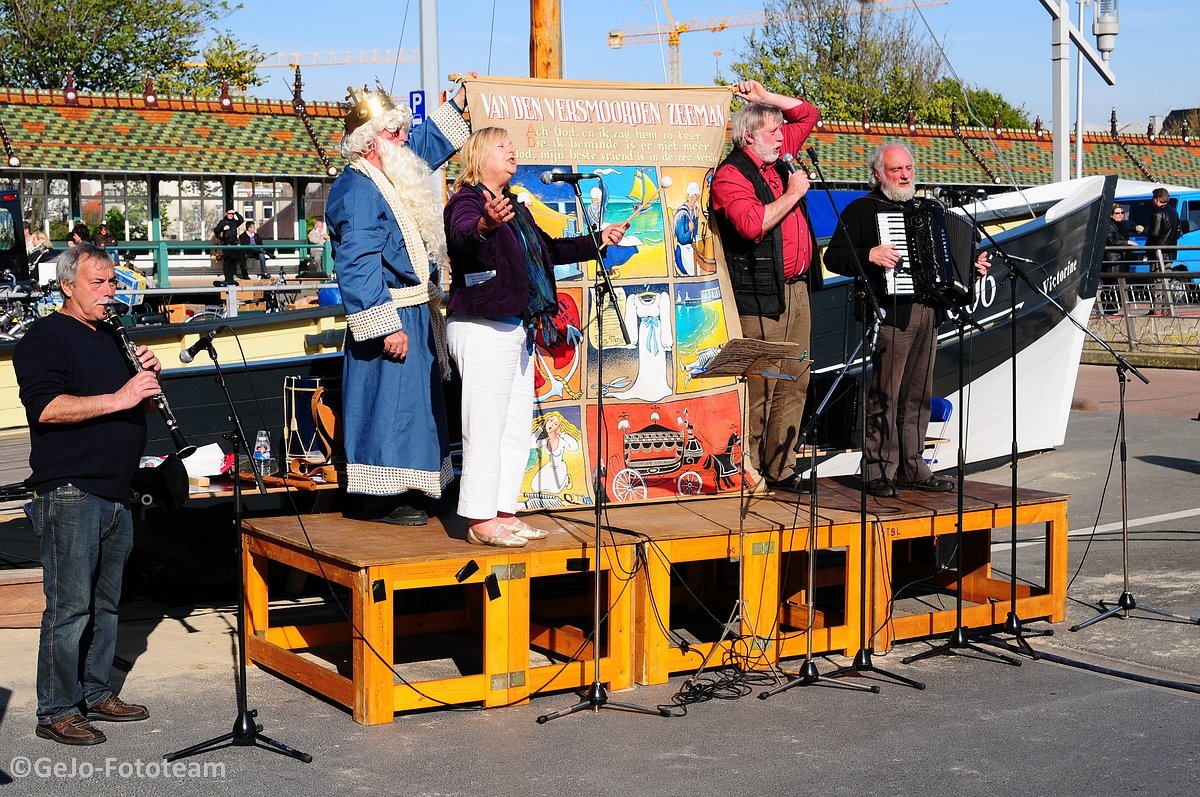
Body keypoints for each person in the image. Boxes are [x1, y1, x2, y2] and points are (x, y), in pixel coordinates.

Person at [443, 127, 626, 546]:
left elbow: (552, 251)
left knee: (513, 429)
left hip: (516, 327)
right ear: (480, 154)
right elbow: (463, 234)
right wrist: (487, 223)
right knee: (484, 427)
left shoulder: (517, 208)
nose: (512, 152)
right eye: (503, 146)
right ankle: (478, 519)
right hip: (482, 325)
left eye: (512, 146)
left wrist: (600, 239)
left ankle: (503, 512)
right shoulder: (467, 200)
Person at [13, 243, 159, 745]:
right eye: (98, 283)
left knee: (106, 603)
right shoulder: (45, 337)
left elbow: (136, 410)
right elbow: (47, 409)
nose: (109, 292)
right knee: (70, 606)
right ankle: (56, 710)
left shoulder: (114, 337)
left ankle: (97, 692)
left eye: (113, 282)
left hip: (118, 489)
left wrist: (149, 383)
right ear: (67, 285)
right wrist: (122, 396)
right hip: (71, 490)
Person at [326, 81, 470, 526]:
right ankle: (383, 499)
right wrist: (385, 325)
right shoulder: (357, 190)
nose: (404, 138)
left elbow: (422, 145)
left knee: (420, 407)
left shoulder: (389, 171)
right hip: (391, 311)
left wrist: (460, 102)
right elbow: (357, 266)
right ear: (370, 142)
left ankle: (423, 486)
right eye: (395, 133)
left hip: (416, 309)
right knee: (390, 407)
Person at [824, 142, 990, 498]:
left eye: (907, 169)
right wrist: (869, 253)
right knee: (886, 393)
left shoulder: (929, 209)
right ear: (877, 174)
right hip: (890, 314)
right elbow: (834, 257)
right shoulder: (862, 211)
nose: (903, 176)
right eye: (895, 170)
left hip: (930, 311)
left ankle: (912, 467)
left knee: (919, 396)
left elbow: (952, 259)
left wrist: (971, 268)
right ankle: (878, 470)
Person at [709, 80, 823, 493]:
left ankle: (782, 466)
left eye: (780, 130)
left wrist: (766, 98)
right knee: (761, 384)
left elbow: (807, 113)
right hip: (759, 295)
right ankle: (750, 467)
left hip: (796, 288)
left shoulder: (776, 160)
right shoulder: (731, 175)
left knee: (796, 376)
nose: (782, 137)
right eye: (773, 131)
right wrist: (794, 194)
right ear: (749, 137)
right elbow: (751, 223)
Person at [1102, 203, 1135, 314]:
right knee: (1112, 286)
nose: (1120, 215)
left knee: (1118, 286)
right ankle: (1110, 310)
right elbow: (1111, 240)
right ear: (1111, 215)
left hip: (1120, 260)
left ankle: (1114, 308)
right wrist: (1126, 242)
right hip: (1113, 261)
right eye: (1117, 213)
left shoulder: (1120, 225)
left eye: (1122, 213)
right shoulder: (1110, 225)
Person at [1145, 187, 1180, 266]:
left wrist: (1147, 247)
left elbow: (1155, 234)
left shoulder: (1158, 214)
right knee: (1167, 275)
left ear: (1157, 199)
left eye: (1153, 198)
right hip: (1171, 253)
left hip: (1158, 253)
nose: (1152, 200)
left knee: (1157, 276)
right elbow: (1178, 231)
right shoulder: (1175, 213)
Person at [673, 181, 702, 276]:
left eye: (696, 199)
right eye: (692, 198)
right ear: (688, 198)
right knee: (696, 270)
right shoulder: (682, 214)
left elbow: (694, 234)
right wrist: (689, 230)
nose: (694, 201)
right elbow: (682, 239)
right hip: (682, 253)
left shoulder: (692, 212)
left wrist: (696, 218)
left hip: (689, 250)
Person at [212, 208, 244, 284]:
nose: (231, 215)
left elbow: (241, 220)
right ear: (226, 213)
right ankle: (227, 278)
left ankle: (231, 277)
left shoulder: (234, 222)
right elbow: (216, 230)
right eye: (229, 214)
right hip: (226, 244)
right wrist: (223, 228)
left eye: (232, 214)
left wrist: (236, 212)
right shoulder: (223, 222)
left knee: (233, 261)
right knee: (227, 261)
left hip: (233, 244)